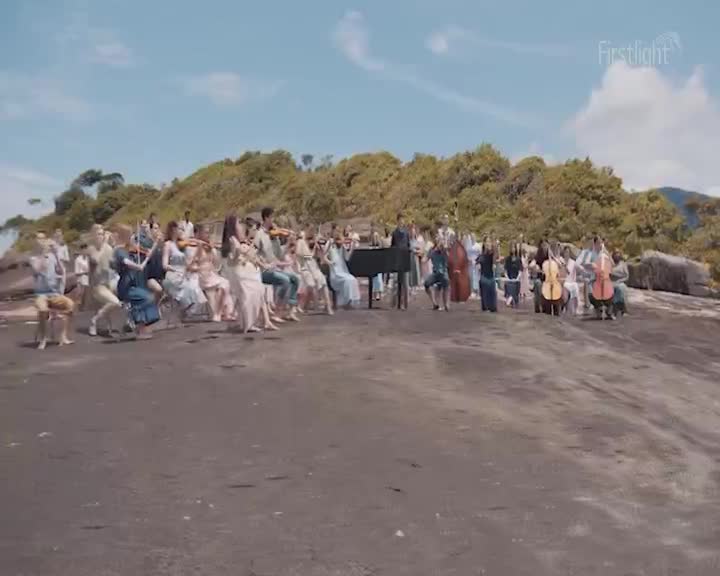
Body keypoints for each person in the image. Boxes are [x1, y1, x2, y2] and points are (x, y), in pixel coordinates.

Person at [221, 216, 276, 333]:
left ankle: (248, 323)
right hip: (241, 271)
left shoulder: (239, 237)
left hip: (247, 270)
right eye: (238, 223)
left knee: (255, 294)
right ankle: (247, 324)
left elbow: (250, 254)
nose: (240, 224)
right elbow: (232, 260)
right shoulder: (232, 239)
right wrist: (237, 251)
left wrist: (263, 265)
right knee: (248, 296)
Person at [113, 224, 161, 339]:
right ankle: (132, 318)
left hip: (136, 283)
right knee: (146, 298)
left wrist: (151, 251)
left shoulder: (132, 249)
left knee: (146, 299)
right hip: (126, 286)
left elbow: (145, 255)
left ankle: (140, 329)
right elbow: (126, 262)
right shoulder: (119, 251)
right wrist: (138, 266)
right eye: (130, 236)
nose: (133, 239)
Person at [30, 232, 75, 349]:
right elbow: (38, 270)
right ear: (35, 242)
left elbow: (60, 271)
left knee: (70, 305)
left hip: (54, 293)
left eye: (43, 239)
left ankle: (63, 336)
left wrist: (56, 254)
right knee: (42, 309)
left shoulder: (52, 256)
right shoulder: (33, 258)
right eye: (39, 239)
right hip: (41, 294)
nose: (42, 241)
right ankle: (44, 338)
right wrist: (44, 254)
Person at [255, 207, 300, 322]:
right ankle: (277, 313)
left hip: (274, 269)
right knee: (285, 280)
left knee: (295, 279)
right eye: (272, 218)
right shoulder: (259, 234)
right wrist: (263, 263)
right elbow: (254, 253)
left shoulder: (274, 236)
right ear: (266, 218)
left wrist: (289, 242)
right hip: (263, 270)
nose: (274, 221)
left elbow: (280, 255)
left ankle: (290, 311)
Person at [162, 221, 207, 320]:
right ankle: (184, 310)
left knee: (193, 287)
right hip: (173, 275)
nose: (180, 231)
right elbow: (164, 265)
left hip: (183, 273)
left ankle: (186, 312)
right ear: (173, 230)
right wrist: (176, 269)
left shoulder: (181, 244)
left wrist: (200, 246)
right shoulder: (168, 245)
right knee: (189, 288)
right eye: (179, 229)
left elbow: (187, 262)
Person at [190, 225, 235, 322]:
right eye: (206, 233)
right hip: (202, 276)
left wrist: (213, 250)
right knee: (224, 284)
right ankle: (219, 312)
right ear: (200, 234)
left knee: (224, 285)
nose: (208, 235)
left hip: (211, 275)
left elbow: (216, 263)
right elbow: (191, 266)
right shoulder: (196, 247)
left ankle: (223, 312)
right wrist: (199, 250)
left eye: (208, 232)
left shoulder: (208, 247)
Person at [86, 224, 122, 337]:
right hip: (96, 285)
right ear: (93, 236)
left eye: (102, 234)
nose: (101, 236)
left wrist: (114, 245)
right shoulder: (91, 249)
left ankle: (103, 326)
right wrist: (105, 244)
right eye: (98, 234)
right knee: (114, 302)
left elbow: (113, 263)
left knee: (106, 306)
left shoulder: (108, 248)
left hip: (107, 282)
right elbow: (95, 260)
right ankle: (94, 321)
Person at [296, 224, 334, 315]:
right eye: (310, 230)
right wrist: (312, 253)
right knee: (311, 284)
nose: (311, 233)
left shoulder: (313, 243)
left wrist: (320, 250)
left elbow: (320, 257)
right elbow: (299, 254)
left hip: (313, 266)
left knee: (323, 281)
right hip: (304, 267)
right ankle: (305, 305)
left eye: (313, 231)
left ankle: (328, 306)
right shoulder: (301, 242)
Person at [327, 232, 361, 309]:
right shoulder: (331, 247)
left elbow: (347, 258)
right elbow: (325, 256)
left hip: (343, 271)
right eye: (337, 240)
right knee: (347, 280)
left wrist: (352, 246)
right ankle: (344, 302)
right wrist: (330, 262)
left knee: (353, 280)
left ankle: (350, 301)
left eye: (340, 240)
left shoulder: (342, 247)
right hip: (335, 273)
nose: (339, 242)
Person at [423, 232, 450, 311]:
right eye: (437, 239)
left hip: (443, 272)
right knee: (426, 284)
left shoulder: (444, 250)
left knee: (446, 281)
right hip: (435, 273)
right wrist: (423, 257)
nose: (438, 240)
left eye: (439, 239)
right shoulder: (431, 250)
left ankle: (446, 304)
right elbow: (425, 259)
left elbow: (448, 258)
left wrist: (444, 249)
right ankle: (434, 303)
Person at [391, 213, 410, 310]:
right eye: (401, 219)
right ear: (398, 220)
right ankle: (395, 303)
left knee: (405, 283)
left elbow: (408, 244)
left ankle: (405, 304)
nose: (402, 221)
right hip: (397, 259)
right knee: (396, 282)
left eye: (403, 219)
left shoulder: (407, 232)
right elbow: (393, 246)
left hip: (405, 258)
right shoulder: (394, 232)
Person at [478, 236, 498, 312]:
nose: (488, 243)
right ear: (484, 243)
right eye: (486, 242)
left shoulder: (493, 253)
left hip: (490, 276)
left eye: (489, 242)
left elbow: (495, 256)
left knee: (491, 285)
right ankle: (485, 306)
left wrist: (494, 264)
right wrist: (478, 265)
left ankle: (492, 306)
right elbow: (479, 262)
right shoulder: (482, 254)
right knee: (483, 282)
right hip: (484, 276)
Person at [561, 246, 580, 317]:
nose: (566, 254)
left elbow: (569, 271)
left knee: (574, 287)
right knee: (564, 288)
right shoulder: (561, 260)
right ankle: (563, 307)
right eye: (565, 252)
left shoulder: (572, 262)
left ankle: (574, 309)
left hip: (571, 282)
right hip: (563, 281)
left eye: (568, 252)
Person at [503, 242, 523, 308]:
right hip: (509, 278)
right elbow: (505, 270)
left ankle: (512, 300)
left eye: (514, 247)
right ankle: (509, 299)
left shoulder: (518, 259)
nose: (513, 249)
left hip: (516, 278)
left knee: (516, 297)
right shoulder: (508, 259)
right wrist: (507, 278)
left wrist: (518, 277)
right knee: (509, 288)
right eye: (512, 248)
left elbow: (520, 270)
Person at [611, 251, 629, 316]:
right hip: (611, 282)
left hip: (620, 281)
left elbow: (626, 276)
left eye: (618, 256)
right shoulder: (610, 264)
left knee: (620, 288)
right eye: (615, 256)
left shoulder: (623, 264)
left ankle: (620, 308)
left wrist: (620, 280)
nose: (616, 257)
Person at [52, 229, 70, 295]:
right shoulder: (52, 247)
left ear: (62, 236)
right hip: (53, 269)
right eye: (57, 235)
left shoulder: (64, 246)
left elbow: (68, 259)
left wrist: (62, 258)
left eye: (60, 235)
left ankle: (61, 298)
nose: (58, 237)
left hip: (62, 269)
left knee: (61, 287)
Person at [369, 223, 384, 301]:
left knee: (378, 278)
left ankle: (379, 294)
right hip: (372, 263)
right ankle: (374, 294)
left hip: (378, 262)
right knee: (374, 278)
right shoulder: (371, 244)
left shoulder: (379, 245)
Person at [73, 244, 90, 309]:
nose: (85, 251)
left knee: (85, 295)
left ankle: (83, 307)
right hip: (80, 279)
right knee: (80, 294)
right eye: (84, 250)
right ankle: (76, 307)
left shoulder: (88, 259)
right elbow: (76, 273)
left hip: (87, 279)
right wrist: (84, 272)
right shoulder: (78, 260)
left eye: (86, 250)